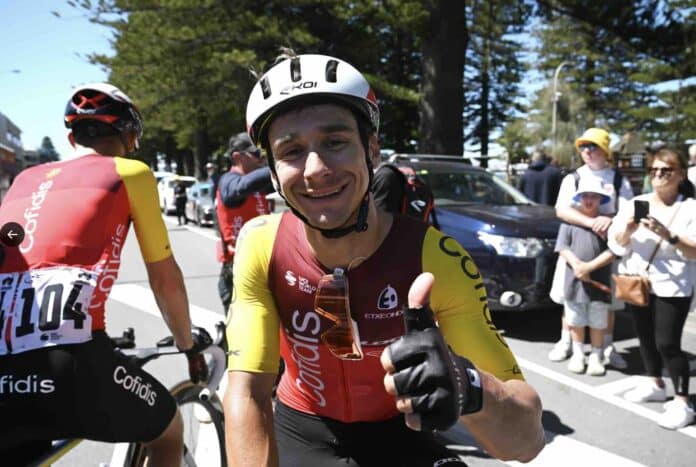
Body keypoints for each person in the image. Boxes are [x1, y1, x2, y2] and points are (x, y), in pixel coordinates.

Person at [223, 52, 544, 466]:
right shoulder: (261, 244)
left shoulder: (436, 258)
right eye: (291, 151)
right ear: (270, 170)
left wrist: (471, 385)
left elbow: (526, 443)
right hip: (299, 429)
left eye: (335, 143)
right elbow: (247, 391)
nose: (316, 169)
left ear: (371, 150)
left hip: (399, 435)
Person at [0, 83, 207, 465]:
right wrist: (187, 345)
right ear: (129, 135)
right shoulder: (130, 172)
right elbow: (164, 279)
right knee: (168, 430)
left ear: (70, 137)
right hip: (72, 365)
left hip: (5, 366)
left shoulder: (23, 181)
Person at [608, 147, 696, 430]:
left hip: (674, 285)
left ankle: (682, 401)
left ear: (680, 174)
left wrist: (667, 235)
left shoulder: (690, 208)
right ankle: (654, 383)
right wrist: (630, 228)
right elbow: (617, 243)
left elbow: (694, 251)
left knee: (667, 343)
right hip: (639, 281)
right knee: (645, 337)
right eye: (654, 170)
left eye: (666, 170)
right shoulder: (637, 202)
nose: (658, 175)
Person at [548, 128, 633, 370]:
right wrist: (592, 222)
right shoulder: (572, 178)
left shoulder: (619, 179)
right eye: (583, 146)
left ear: (605, 150)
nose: (586, 151)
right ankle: (567, 343)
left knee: (605, 304)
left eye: (592, 146)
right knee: (570, 299)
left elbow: (628, 211)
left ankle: (605, 347)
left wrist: (612, 219)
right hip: (575, 251)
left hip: (607, 253)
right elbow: (562, 210)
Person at [554, 178, 615, 376]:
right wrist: (578, 266)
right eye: (585, 196)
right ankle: (578, 353)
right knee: (575, 319)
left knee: (598, 320)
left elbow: (614, 250)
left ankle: (597, 355)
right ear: (579, 198)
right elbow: (562, 247)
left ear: (600, 199)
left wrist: (590, 266)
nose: (589, 200)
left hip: (599, 281)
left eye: (594, 197)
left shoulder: (607, 225)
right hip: (574, 281)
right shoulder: (569, 223)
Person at [214, 131, 274, 314]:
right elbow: (234, 191)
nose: (261, 158)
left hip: (263, 265)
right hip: (238, 269)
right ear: (237, 157)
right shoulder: (229, 181)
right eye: (256, 153)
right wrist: (276, 166)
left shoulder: (257, 182)